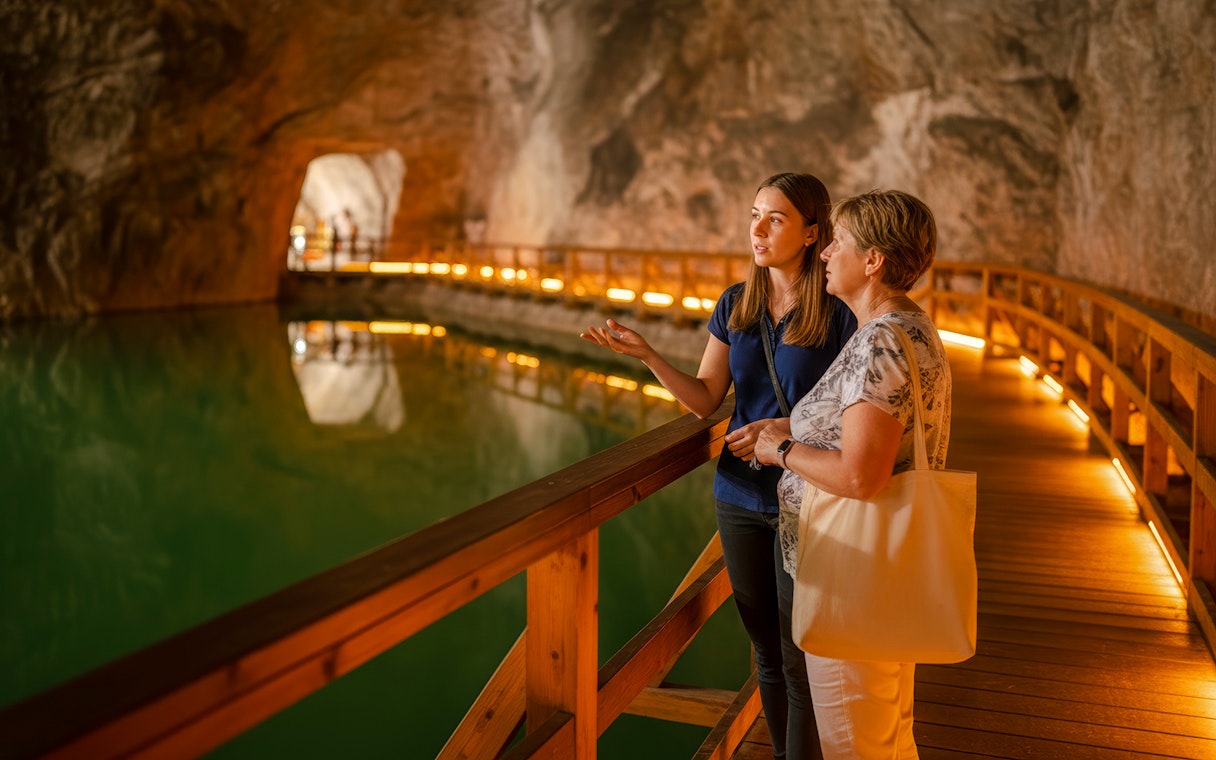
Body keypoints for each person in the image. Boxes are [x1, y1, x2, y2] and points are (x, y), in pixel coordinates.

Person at [581, 172, 856, 760]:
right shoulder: (737, 302)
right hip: (738, 494)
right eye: (754, 214)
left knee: (798, 649)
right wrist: (648, 353)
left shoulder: (837, 313)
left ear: (812, 232)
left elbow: (848, 412)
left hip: (806, 493)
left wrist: (786, 432)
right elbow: (708, 398)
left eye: (775, 218)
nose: (757, 229)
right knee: (762, 647)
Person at [754, 189, 948, 759]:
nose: (825, 253)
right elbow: (869, 423)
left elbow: (862, 476)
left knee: (853, 742)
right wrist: (800, 423)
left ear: (873, 261)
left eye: (838, 242)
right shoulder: (911, 327)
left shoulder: (880, 341)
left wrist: (782, 449)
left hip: (851, 570)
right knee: (884, 733)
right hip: (885, 561)